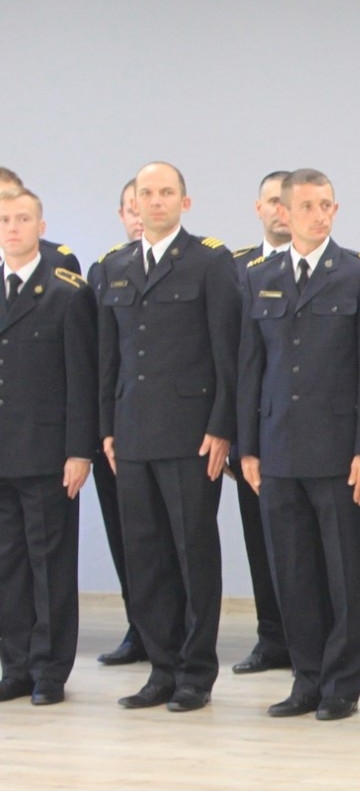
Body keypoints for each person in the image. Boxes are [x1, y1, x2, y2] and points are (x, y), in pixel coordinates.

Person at [237, 169, 360, 721]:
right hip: (278, 448)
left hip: (338, 451)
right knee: (293, 571)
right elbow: (250, 367)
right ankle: (306, 678)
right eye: (307, 205)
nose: (319, 214)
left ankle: (342, 685)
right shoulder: (259, 277)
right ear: (283, 211)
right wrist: (248, 446)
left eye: (326, 204)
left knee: (344, 573)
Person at [98, 162, 240, 713]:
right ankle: (161, 668)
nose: (155, 201)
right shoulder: (114, 266)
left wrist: (222, 426)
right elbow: (108, 358)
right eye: (146, 193)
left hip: (190, 435)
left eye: (166, 192)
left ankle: (195, 673)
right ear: (133, 203)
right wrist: (106, 428)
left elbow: (226, 352)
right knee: (145, 556)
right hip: (131, 431)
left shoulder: (209, 262)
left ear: (185, 201)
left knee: (192, 553)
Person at [0, 187, 96, 705]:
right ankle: (15, 666)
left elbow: (81, 378)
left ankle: (50, 671)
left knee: (49, 565)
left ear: (41, 226)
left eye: (22, 219)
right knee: (8, 566)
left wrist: (79, 451)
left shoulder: (66, 292)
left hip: (47, 453)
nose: (12, 228)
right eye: (4, 220)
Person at [227, 171, 294, 675]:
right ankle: (272, 638)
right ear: (259, 208)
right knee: (260, 542)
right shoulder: (236, 270)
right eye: (273, 201)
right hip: (257, 433)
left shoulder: (338, 269)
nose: (280, 210)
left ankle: (312, 640)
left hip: (308, 431)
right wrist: (238, 439)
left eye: (288, 202)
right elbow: (233, 361)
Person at [87, 178, 148, 668]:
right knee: (127, 537)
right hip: (116, 428)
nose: (139, 214)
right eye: (131, 207)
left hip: (170, 428)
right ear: (122, 215)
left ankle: (180, 632)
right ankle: (140, 627)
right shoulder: (104, 270)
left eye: (146, 203)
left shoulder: (200, 261)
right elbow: (100, 356)